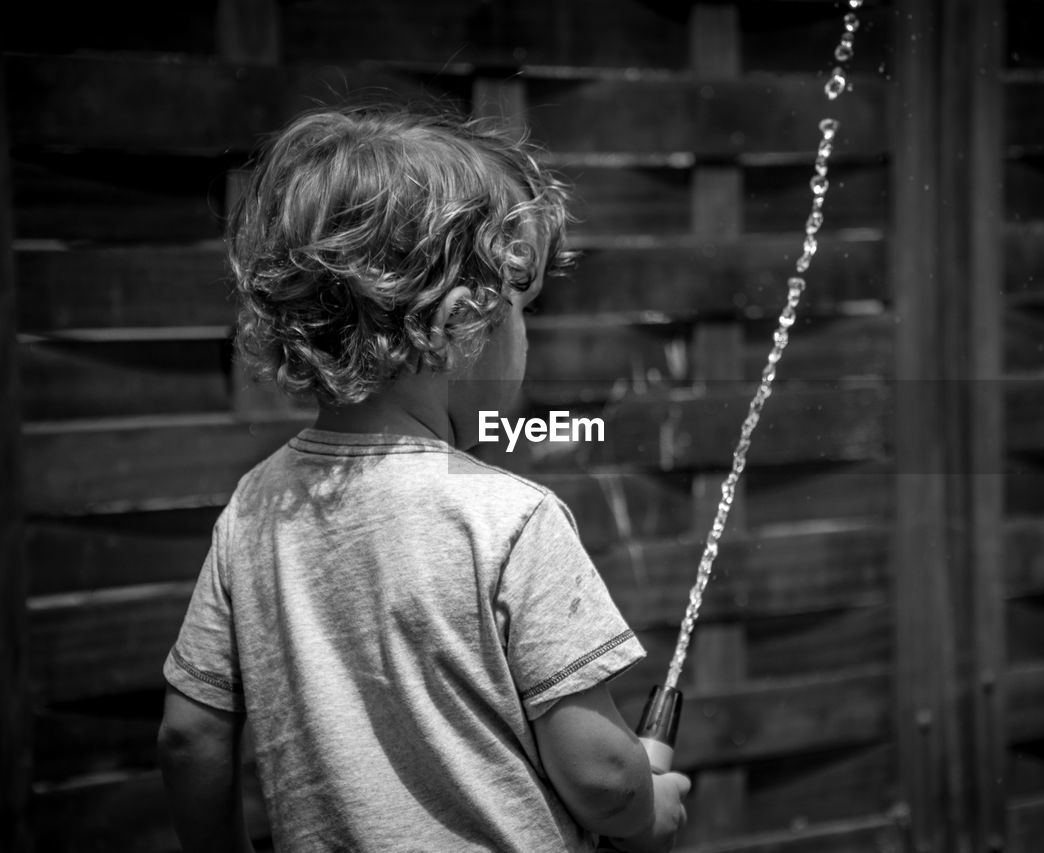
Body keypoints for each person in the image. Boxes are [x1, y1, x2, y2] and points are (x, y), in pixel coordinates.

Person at [156, 104, 691, 852]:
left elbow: (190, 735)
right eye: (519, 310)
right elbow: (604, 775)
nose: (525, 335)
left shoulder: (255, 507)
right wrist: (649, 805)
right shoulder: (510, 518)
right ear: (460, 324)